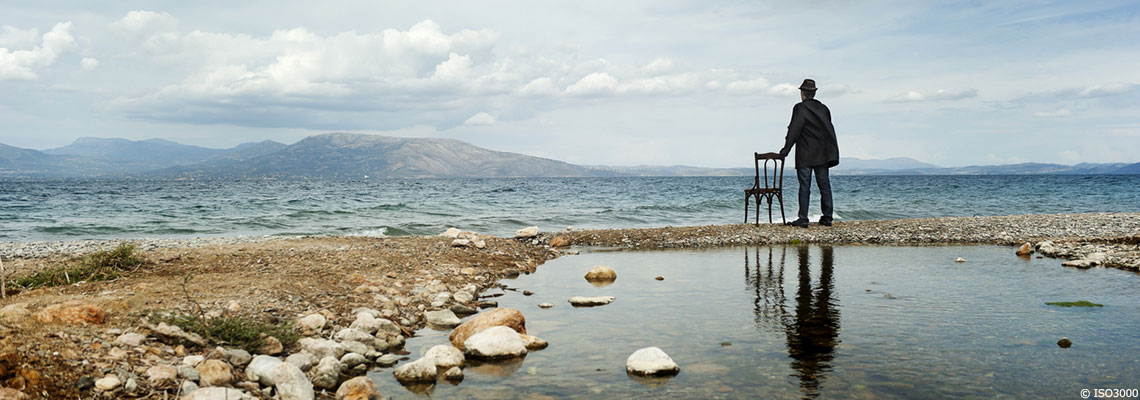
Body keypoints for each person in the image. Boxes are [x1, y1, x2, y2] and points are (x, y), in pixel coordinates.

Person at [779, 79, 839, 228]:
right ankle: (827, 218)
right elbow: (828, 130)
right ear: (813, 93)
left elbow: (794, 129)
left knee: (805, 186)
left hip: (805, 154)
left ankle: (803, 219)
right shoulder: (824, 109)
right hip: (823, 154)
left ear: (803, 93)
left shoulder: (800, 108)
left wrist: (786, 149)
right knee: (824, 185)